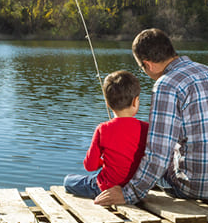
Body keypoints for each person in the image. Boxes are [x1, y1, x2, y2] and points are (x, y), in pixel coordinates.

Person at [94, 28, 208, 205]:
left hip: (199, 188)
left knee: (144, 157)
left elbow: (158, 154)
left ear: (148, 64)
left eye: (142, 69)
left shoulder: (166, 84)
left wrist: (129, 194)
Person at [63, 70, 149, 199]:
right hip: (134, 188)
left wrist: (102, 162)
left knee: (68, 181)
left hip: (105, 188)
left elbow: (90, 166)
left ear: (108, 104)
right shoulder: (146, 128)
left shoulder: (103, 129)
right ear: (135, 101)